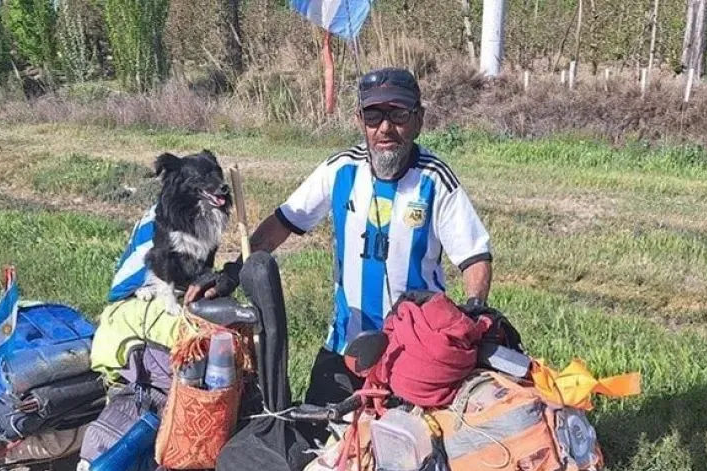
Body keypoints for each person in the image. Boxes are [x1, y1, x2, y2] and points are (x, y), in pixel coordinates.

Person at [186, 67, 493, 410]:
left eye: (399, 115)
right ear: (359, 120)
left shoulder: (435, 179)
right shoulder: (340, 169)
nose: (385, 128)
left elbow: (474, 256)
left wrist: (473, 308)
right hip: (346, 346)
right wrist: (232, 272)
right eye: (373, 116)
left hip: (414, 352)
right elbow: (283, 222)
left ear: (418, 120)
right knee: (315, 440)